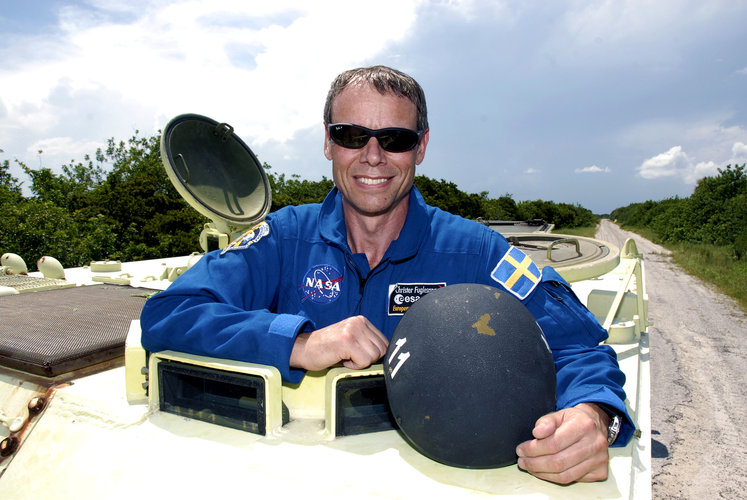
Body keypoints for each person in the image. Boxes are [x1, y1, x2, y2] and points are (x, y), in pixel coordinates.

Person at [141, 65, 633, 485]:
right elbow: (170, 313)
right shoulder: (284, 238)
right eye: (352, 135)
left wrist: (595, 415)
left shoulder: (476, 251)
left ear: (420, 148)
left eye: (394, 139)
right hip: (295, 476)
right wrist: (297, 343)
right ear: (328, 144)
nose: (373, 155)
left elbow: (577, 345)